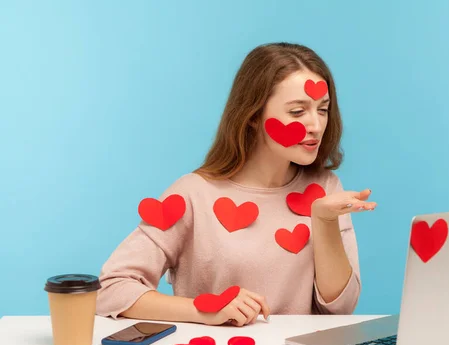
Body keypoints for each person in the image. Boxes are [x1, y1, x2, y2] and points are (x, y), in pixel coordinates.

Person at [96, 42, 377, 327]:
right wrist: (205, 309)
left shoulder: (326, 189)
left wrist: (325, 221)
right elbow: (111, 289)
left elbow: (340, 310)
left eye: (323, 109)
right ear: (254, 116)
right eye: (297, 112)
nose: (316, 125)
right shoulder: (194, 194)